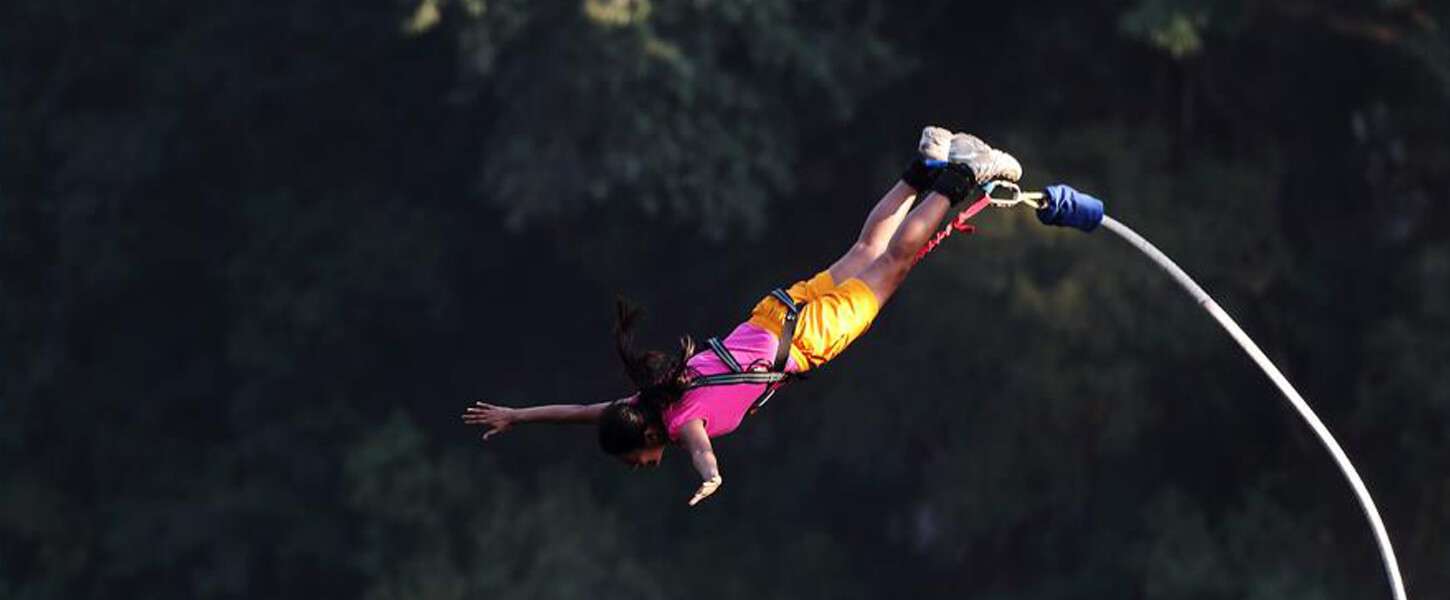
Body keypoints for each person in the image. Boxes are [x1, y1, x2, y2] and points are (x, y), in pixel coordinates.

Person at [462, 127, 1021, 506]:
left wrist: (711, 477)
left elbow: (699, 447)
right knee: (865, 250)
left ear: (647, 436)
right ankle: (924, 166)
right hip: (773, 314)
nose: (643, 465)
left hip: (805, 339)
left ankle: (960, 175)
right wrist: (518, 416)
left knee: (893, 262)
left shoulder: (679, 422)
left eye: (636, 460)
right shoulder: (651, 395)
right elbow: (583, 412)